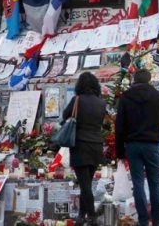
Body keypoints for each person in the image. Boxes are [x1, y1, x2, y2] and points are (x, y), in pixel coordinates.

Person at [116, 69, 159, 226]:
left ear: (134, 80)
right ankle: (158, 219)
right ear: (149, 79)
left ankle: (142, 220)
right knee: (155, 182)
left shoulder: (126, 97)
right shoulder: (158, 96)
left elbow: (119, 126)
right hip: (152, 145)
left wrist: (120, 151)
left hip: (132, 146)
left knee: (138, 182)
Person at [62, 72, 107, 226]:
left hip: (80, 145)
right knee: (86, 182)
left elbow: (64, 115)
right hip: (96, 145)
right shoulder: (101, 103)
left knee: (85, 184)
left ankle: (92, 217)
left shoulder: (77, 100)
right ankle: (81, 216)